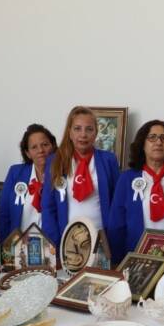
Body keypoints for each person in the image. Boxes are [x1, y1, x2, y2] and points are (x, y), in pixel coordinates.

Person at [41, 106, 119, 248]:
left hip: (101, 240)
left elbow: (116, 205)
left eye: (89, 129)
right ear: (69, 132)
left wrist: (113, 242)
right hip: (67, 241)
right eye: (77, 129)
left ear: (96, 133)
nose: (83, 134)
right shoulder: (55, 161)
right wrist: (55, 244)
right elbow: (48, 207)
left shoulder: (109, 160)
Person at [108, 119, 164, 257]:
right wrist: (117, 260)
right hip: (137, 255)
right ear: (142, 144)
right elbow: (116, 223)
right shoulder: (127, 178)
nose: (159, 142)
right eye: (152, 137)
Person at [0, 124, 56, 238]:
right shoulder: (15, 173)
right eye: (34, 147)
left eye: (45, 145)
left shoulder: (62, 175)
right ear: (28, 153)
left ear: (52, 146)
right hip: (19, 245)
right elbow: (4, 214)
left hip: (51, 245)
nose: (40, 150)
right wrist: (7, 245)